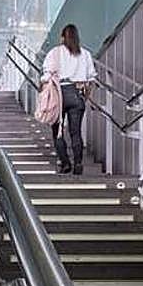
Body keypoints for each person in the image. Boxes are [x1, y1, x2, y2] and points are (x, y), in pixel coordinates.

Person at [42, 24, 97, 175]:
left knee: (57, 131)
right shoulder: (85, 54)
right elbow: (92, 77)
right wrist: (85, 95)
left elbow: (46, 75)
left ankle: (65, 163)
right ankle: (78, 164)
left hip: (59, 94)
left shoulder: (55, 52)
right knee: (75, 132)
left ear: (62, 38)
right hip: (77, 93)